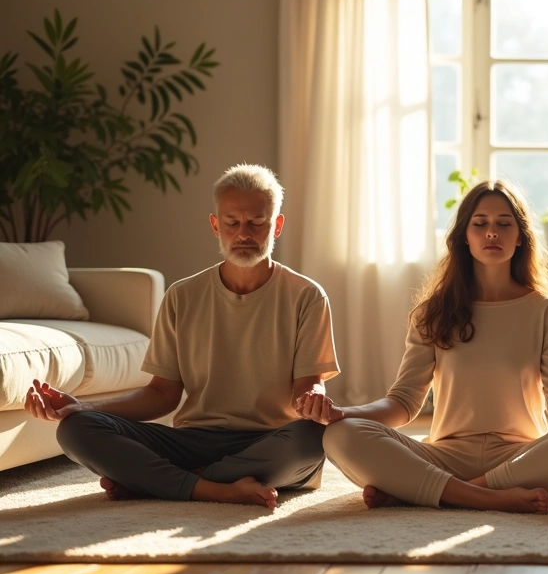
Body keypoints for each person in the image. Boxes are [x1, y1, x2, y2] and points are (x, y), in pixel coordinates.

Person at [24, 164, 339, 510]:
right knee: (75, 429)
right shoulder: (182, 295)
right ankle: (212, 487)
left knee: (311, 437)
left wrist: (314, 396)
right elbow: (161, 395)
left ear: (277, 225)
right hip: (192, 440)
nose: (243, 233)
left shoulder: (307, 295)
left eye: (257, 223)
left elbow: (307, 389)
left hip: (269, 441)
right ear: (215, 225)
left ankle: (163, 480)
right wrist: (81, 407)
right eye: (232, 223)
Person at [309, 180, 548, 514]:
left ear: (521, 236)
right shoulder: (433, 311)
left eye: (503, 224)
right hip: (444, 457)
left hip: (520, 459)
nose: (492, 233)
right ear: (464, 237)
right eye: (480, 224)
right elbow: (404, 402)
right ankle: (487, 497)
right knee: (339, 435)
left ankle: (435, 492)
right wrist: (344, 414)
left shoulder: (544, 311)